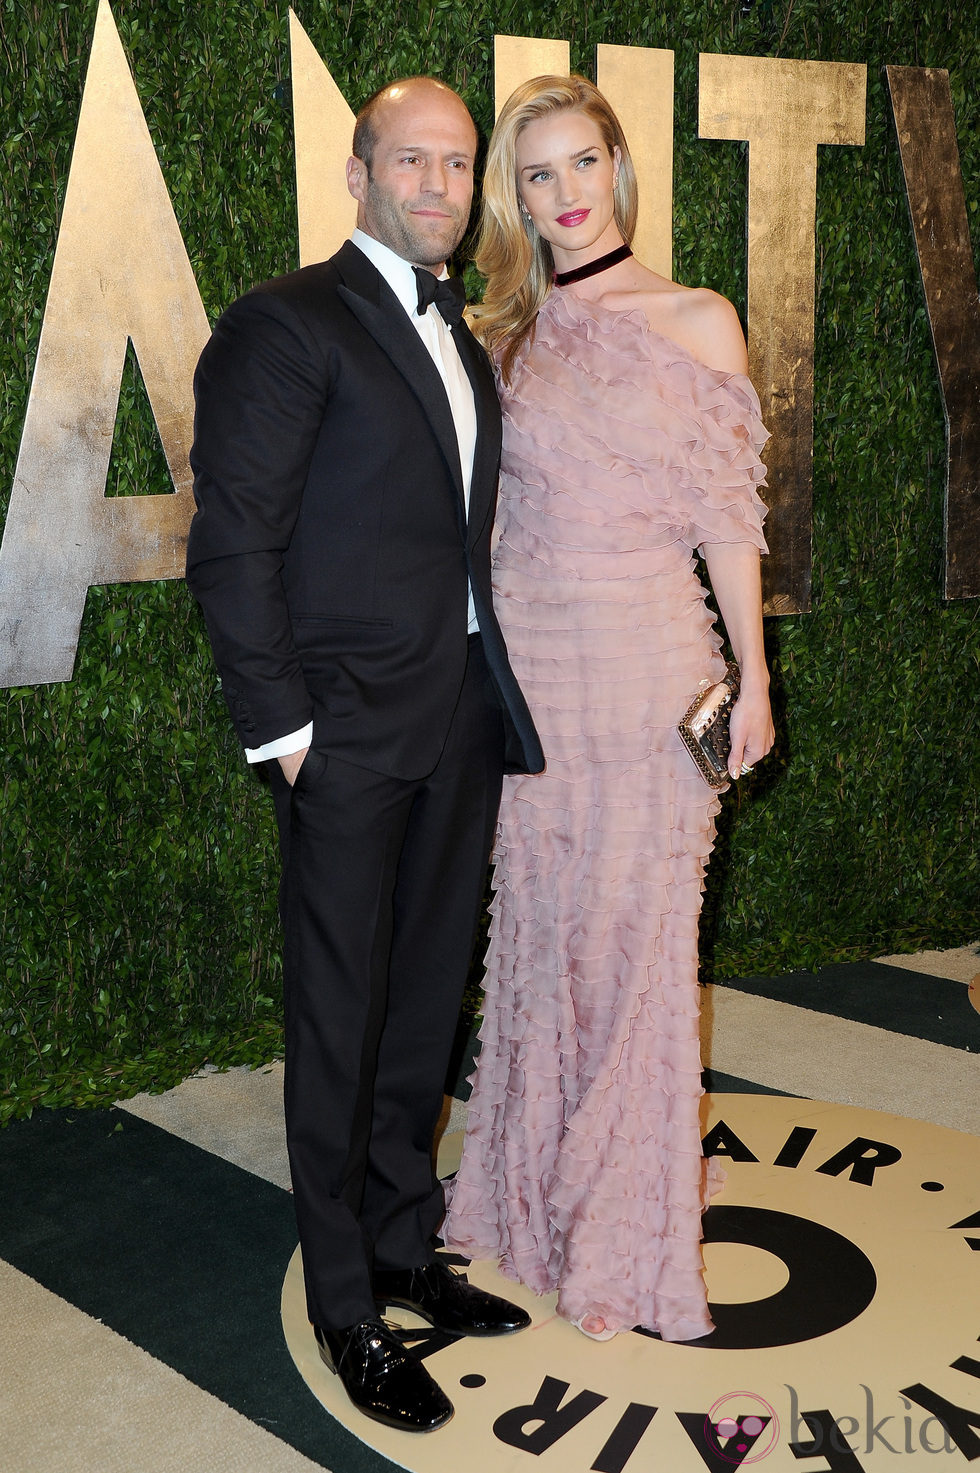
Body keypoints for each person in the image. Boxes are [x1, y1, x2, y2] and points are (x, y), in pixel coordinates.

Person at [186, 76, 543, 1433]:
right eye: (413, 159)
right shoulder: (287, 324)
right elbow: (234, 544)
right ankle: (346, 1298)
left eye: (457, 163)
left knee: (421, 999)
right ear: (359, 172)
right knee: (340, 1018)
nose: (439, 184)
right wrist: (284, 732)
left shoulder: (458, 326)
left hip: (456, 710)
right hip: (339, 730)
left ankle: (405, 1243)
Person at [442, 74, 774, 1343]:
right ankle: (530, 1195)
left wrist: (751, 677)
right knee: (540, 936)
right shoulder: (504, 336)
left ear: (618, 171)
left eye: (581, 165)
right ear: (514, 199)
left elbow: (725, 517)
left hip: (648, 672)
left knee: (637, 946)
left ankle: (620, 1218)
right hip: (530, 684)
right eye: (537, 175)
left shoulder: (695, 319)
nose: (565, 195)